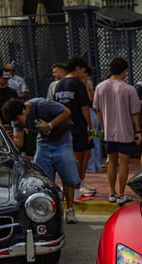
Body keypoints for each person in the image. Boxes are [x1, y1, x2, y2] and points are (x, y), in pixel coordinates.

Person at [2, 97, 81, 224]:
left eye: (18, 119)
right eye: (14, 121)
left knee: (68, 177)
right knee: (42, 178)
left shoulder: (41, 105)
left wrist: (49, 125)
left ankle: (70, 209)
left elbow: (66, 112)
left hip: (62, 142)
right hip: (43, 143)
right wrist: (8, 138)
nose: (17, 123)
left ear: (23, 111)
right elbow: (19, 142)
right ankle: (49, 209)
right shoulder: (16, 121)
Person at [93, 57, 142, 205]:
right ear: (123, 71)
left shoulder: (100, 87)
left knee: (111, 162)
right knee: (123, 164)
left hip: (109, 132)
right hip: (124, 132)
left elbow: (97, 109)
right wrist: (138, 130)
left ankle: (111, 193)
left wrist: (103, 126)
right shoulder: (129, 89)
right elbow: (135, 112)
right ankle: (121, 193)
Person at [54, 56, 97, 201]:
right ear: (78, 68)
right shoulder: (78, 85)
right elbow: (84, 108)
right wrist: (90, 127)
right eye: (83, 71)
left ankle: (75, 187)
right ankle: (76, 190)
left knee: (74, 158)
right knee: (80, 158)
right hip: (78, 126)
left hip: (64, 127)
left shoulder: (59, 85)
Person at [0, 68, 18, 136]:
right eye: (4, 79)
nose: (6, 80)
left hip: (10, 121)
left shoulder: (12, 92)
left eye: (8, 79)